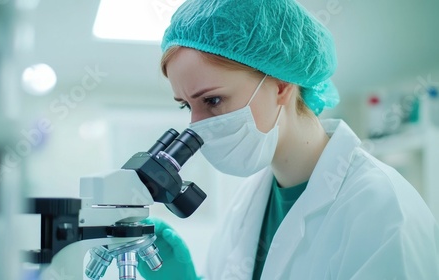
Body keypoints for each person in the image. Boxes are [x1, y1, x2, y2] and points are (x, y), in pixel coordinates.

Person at [138, 0, 439, 279]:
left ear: (281, 85)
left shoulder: (382, 209)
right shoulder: (246, 203)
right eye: (186, 105)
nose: (196, 126)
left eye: (213, 100)